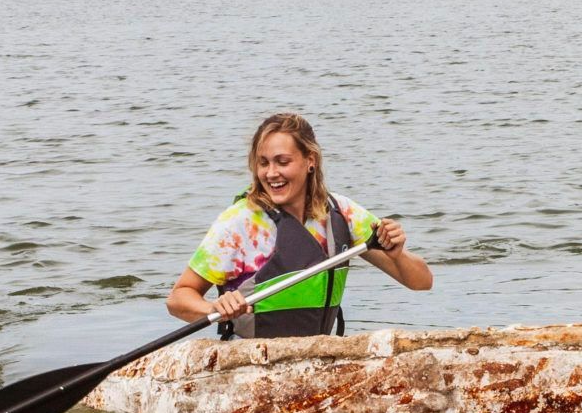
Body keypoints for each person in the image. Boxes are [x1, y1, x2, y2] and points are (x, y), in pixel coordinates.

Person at [167, 113, 432, 338]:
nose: (271, 173)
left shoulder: (342, 214)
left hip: (317, 358)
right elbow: (178, 298)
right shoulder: (239, 223)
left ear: (310, 161)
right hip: (252, 361)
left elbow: (422, 282)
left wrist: (397, 255)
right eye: (264, 163)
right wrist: (215, 307)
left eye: (282, 162)